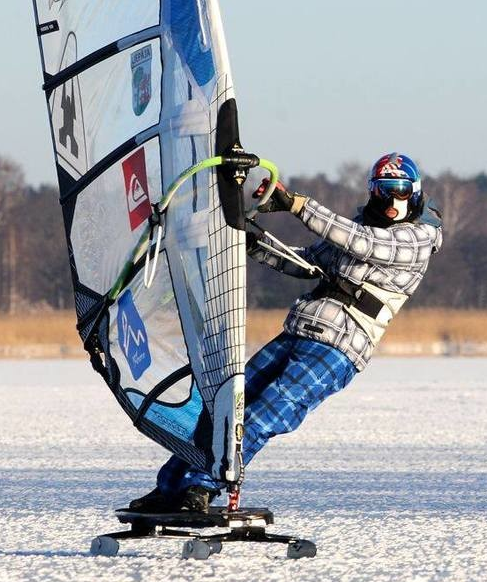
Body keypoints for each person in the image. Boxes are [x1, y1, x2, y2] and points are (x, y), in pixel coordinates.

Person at [129, 153, 443, 512]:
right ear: (373, 191)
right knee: (226, 407)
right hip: (300, 330)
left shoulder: (418, 238)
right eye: (384, 191)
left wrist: (296, 204)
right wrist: (253, 243)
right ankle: (170, 487)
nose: (392, 201)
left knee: (267, 413)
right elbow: (307, 263)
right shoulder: (362, 222)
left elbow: (364, 244)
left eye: (401, 191)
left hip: (340, 347)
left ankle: (201, 489)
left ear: (415, 193)